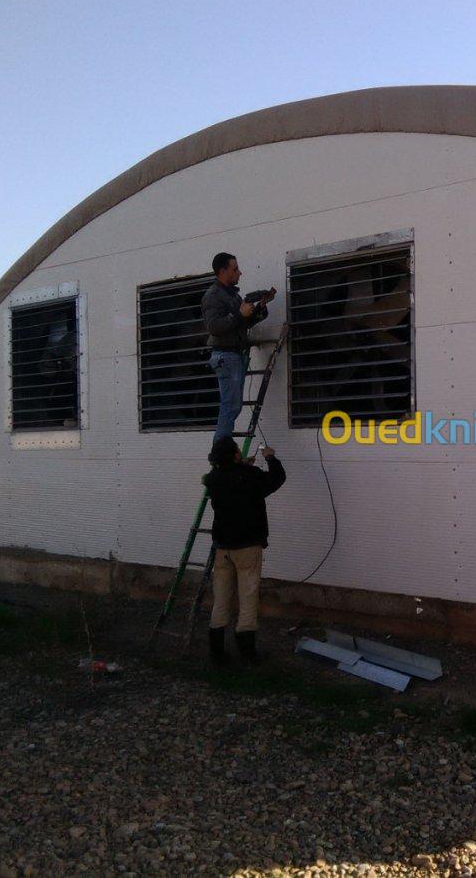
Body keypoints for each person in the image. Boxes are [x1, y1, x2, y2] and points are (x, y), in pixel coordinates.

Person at [204, 436, 287, 667]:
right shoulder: (250, 477)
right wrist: (270, 457)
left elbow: (232, 478)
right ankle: (247, 653)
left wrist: (242, 466)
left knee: (221, 599)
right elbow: (277, 478)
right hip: (247, 547)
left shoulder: (213, 479)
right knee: (248, 597)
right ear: (234, 455)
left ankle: (217, 654)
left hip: (222, 548)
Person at [202, 252, 275, 442]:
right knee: (230, 406)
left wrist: (260, 308)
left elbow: (243, 324)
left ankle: (222, 451)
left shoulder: (233, 296)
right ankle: (220, 453)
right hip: (226, 356)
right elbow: (213, 327)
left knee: (233, 405)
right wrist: (239, 315)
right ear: (222, 271)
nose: (239, 273)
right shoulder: (213, 296)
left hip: (234, 355)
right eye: (235, 269)